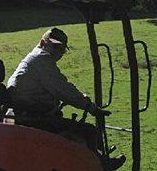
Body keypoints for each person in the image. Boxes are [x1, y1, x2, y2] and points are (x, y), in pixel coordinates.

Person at [7, 27, 110, 156]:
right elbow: (63, 89)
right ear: (43, 43)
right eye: (55, 46)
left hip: (28, 113)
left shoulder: (34, 58)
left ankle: (99, 159)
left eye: (62, 49)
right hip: (32, 117)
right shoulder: (41, 59)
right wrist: (89, 106)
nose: (59, 52)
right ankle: (100, 165)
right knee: (88, 131)